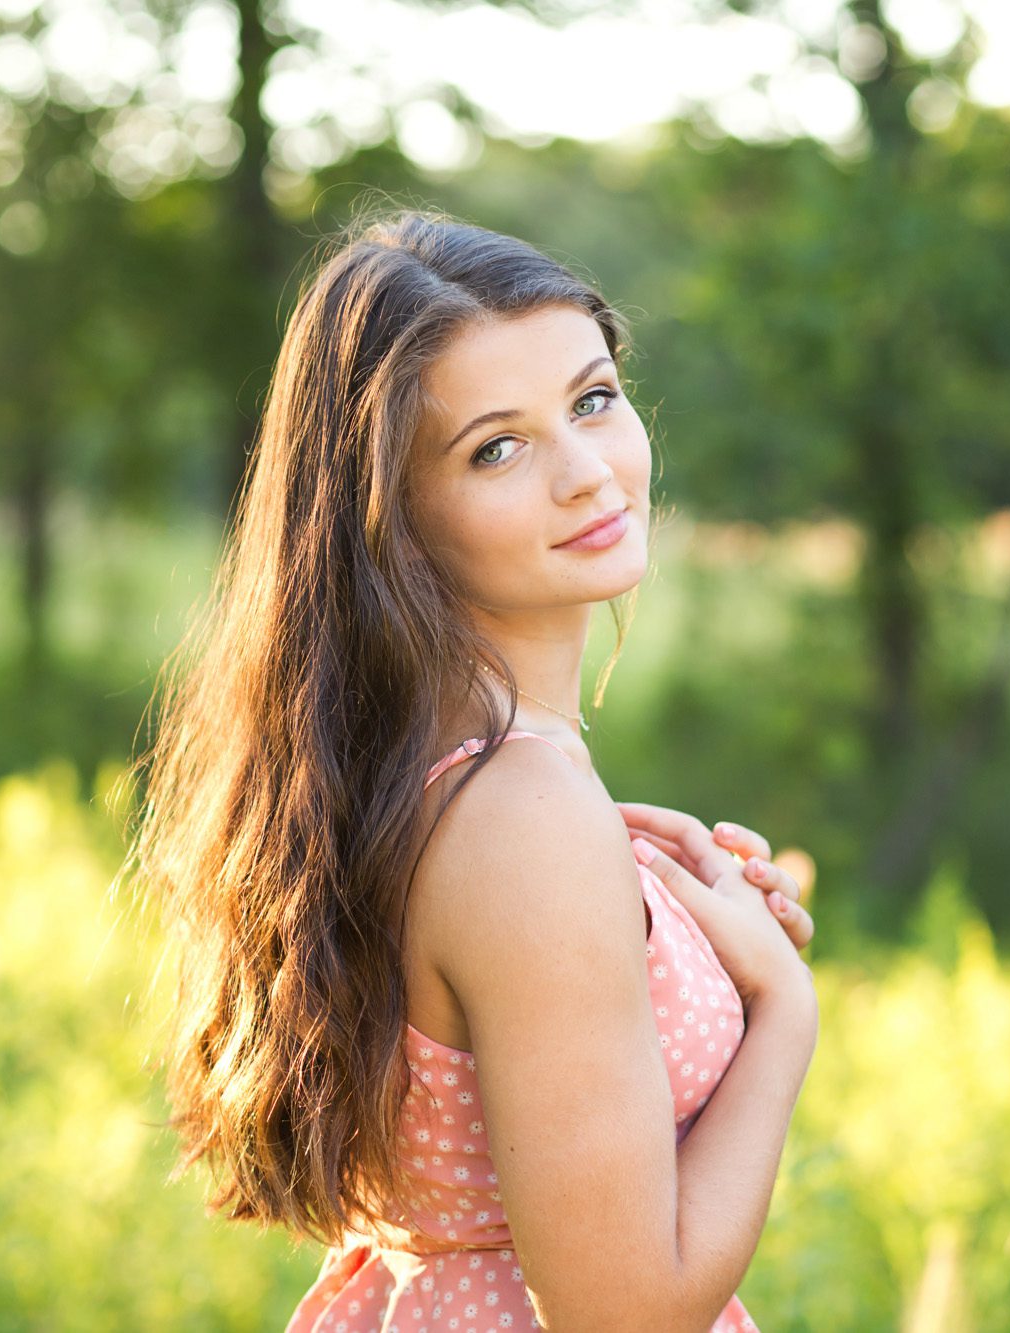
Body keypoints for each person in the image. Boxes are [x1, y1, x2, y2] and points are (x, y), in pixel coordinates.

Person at [120, 203, 818, 1333]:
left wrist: (673, 926)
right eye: (496, 447)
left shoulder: (443, 781)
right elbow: (624, 1314)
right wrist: (781, 1011)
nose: (588, 472)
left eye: (592, 400)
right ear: (392, 514)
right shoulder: (521, 816)